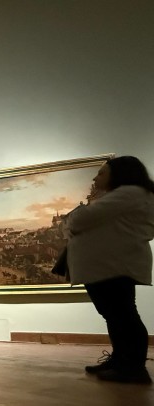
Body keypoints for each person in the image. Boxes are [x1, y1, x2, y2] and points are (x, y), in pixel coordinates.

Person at [66, 156, 154, 384]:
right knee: (116, 315)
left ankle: (133, 368)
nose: (95, 178)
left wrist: (78, 215)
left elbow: (77, 220)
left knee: (123, 315)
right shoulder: (131, 195)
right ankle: (121, 361)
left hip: (113, 266)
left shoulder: (129, 193)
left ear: (119, 174)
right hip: (110, 265)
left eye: (101, 173)